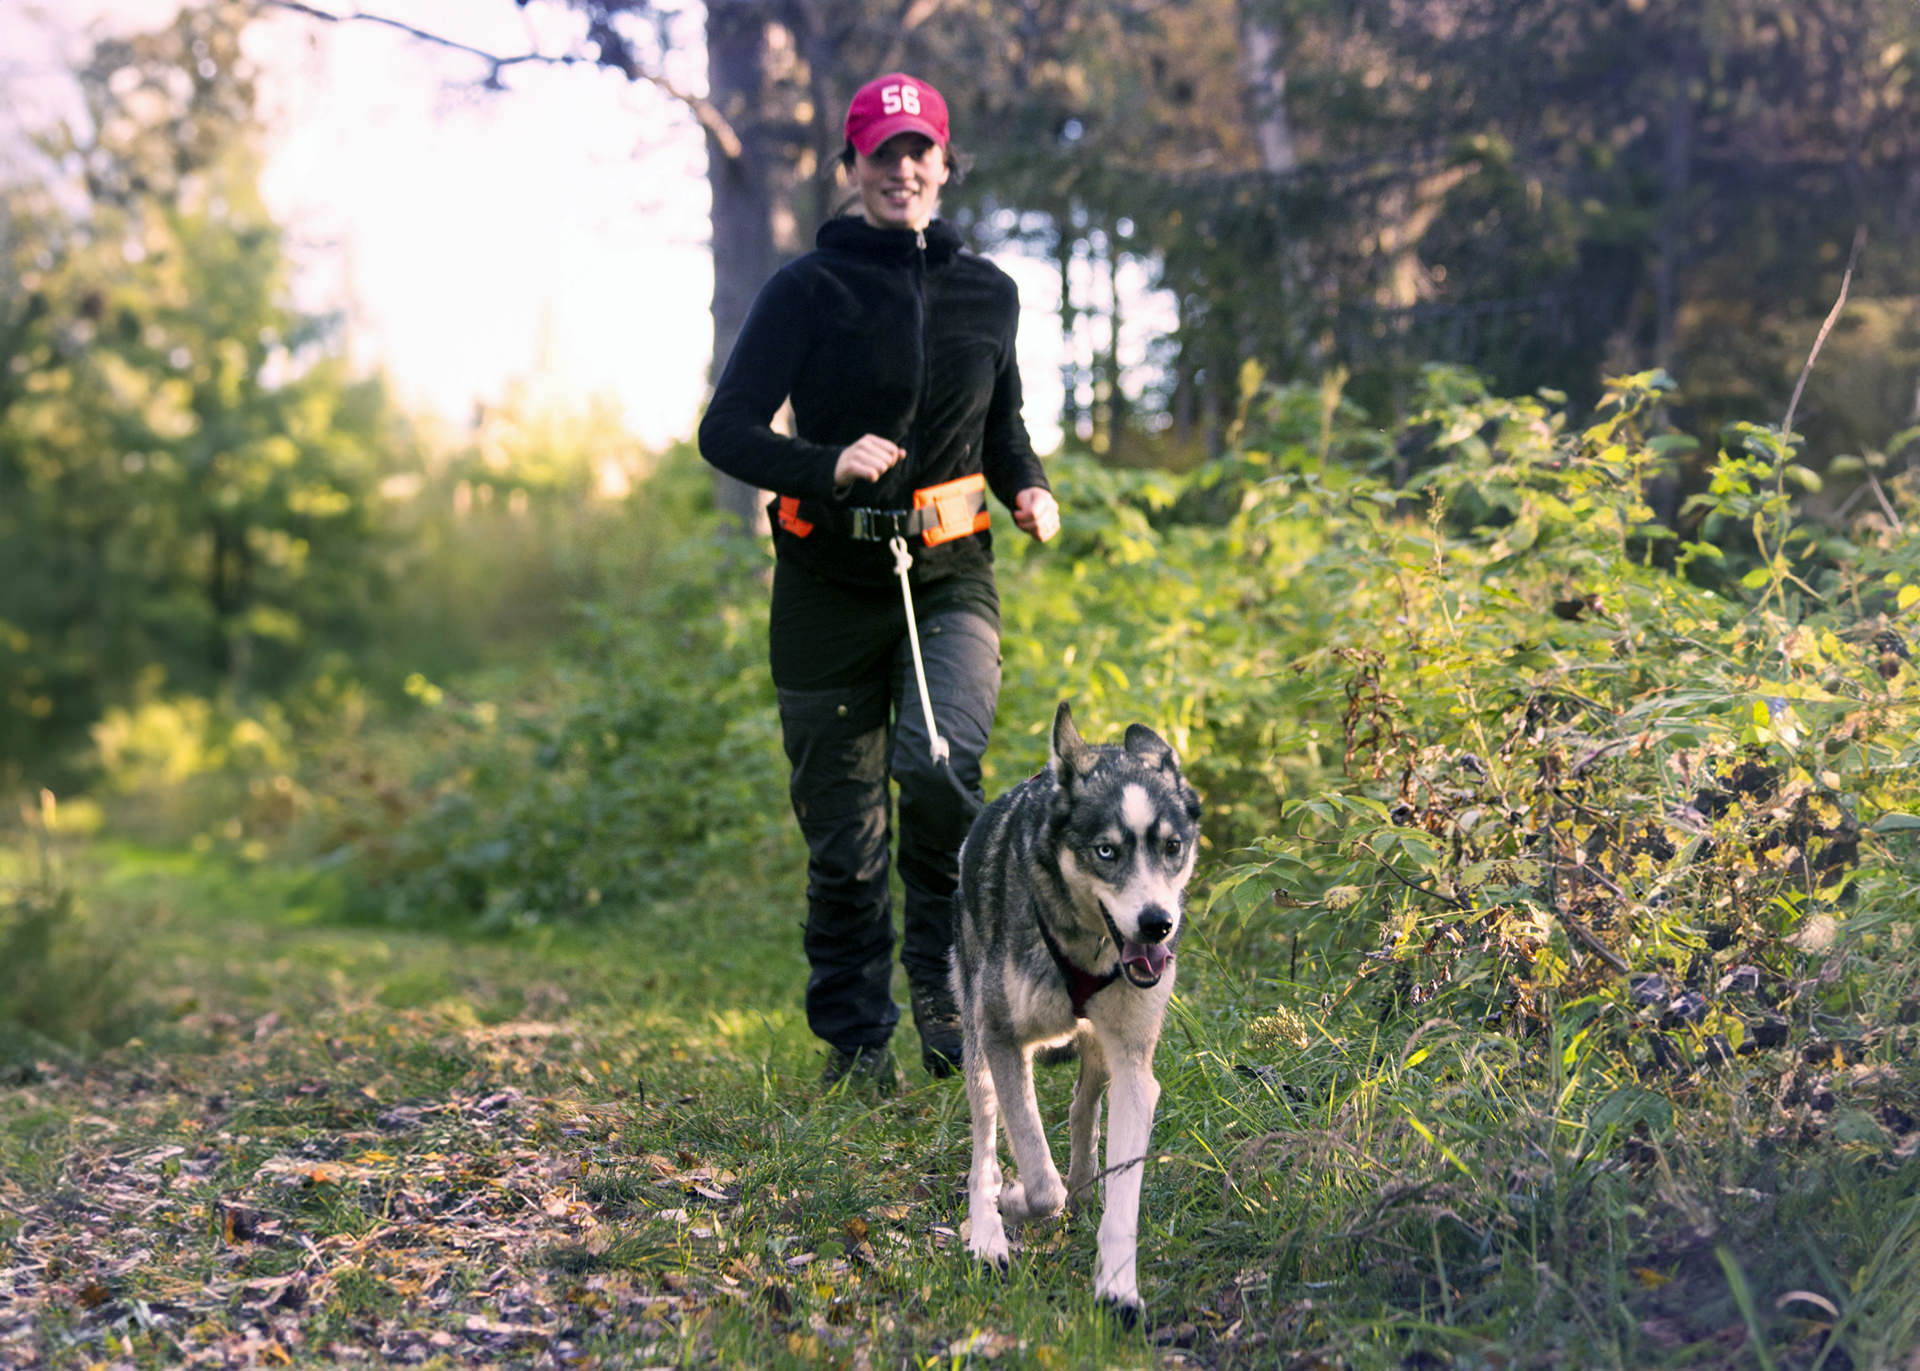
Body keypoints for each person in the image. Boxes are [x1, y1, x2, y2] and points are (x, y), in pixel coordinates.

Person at [699, 71, 1060, 1088]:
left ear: (945, 165)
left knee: (942, 761)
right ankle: (857, 1045)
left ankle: (951, 997)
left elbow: (1004, 428)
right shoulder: (806, 289)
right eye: (883, 152)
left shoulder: (990, 289)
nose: (902, 168)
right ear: (852, 166)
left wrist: (1028, 489)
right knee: (844, 839)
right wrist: (822, 464)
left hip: (949, 574)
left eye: (920, 151)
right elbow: (723, 431)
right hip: (823, 586)